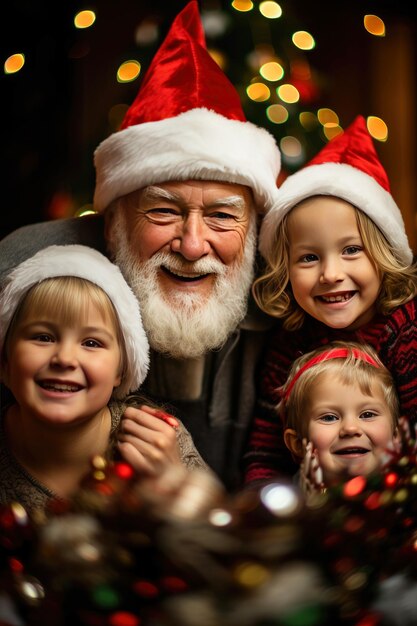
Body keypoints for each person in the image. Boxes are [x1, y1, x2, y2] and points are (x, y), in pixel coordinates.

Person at [0, 0, 281, 491]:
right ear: (112, 224)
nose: (193, 246)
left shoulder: (291, 295)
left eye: (221, 216)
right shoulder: (23, 268)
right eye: (164, 211)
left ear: (254, 227)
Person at [244, 115, 417, 485]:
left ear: (384, 257)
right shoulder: (289, 341)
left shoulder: (406, 331)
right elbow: (266, 451)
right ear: (284, 270)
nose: (330, 274)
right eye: (308, 257)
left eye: (351, 250)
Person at [0, 244, 208, 513]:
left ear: (121, 370)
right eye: (43, 337)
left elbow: (217, 541)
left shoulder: (160, 442)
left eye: (91, 343)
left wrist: (175, 484)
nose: (64, 359)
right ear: (5, 359)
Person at [279, 341, 400, 492]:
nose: (350, 428)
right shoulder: (289, 505)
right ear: (297, 443)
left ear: (396, 435)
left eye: (367, 414)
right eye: (329, 418)